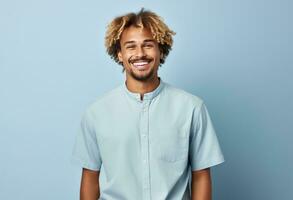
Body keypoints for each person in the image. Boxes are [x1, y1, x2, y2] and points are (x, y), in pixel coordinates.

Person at [71, 8, 225, 200]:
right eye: (130, 46)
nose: (140, 53)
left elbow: (201, 176)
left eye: (148, 45)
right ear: (119, 54)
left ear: (161, 50)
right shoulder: (96, 113)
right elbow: (90, 178)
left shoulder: (192, 108)